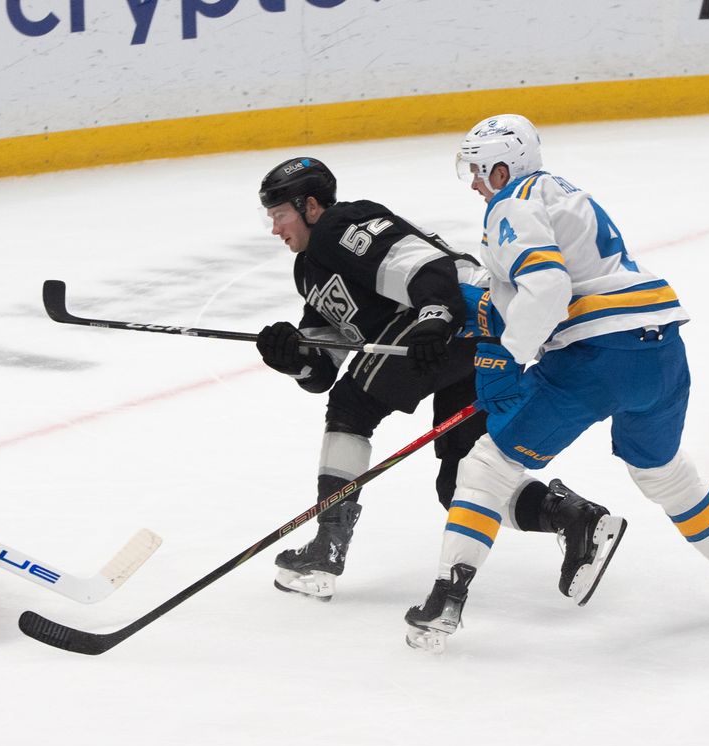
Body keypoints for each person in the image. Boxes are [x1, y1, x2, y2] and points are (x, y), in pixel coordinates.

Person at [405, 115, 709, 651]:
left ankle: (448, 597)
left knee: (487, 467)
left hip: (595, 357)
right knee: (663, 472)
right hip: (661, 351)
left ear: (501, 166)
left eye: (476, 170)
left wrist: (513, 357)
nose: (472, 183)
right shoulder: (563, 192)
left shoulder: (511, 203)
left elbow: (548, 285)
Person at [256, 157, 624, 602]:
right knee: (459, 482)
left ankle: (327, 548)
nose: (275, 228)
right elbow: (321, 370)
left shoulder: (341, 225)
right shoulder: (310, 269)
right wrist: (290, 354)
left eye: (280, 215)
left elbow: (430, 270)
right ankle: (574, 518)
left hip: (465, 313)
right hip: (468, 337)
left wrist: (436, 316)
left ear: (310, 205)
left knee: (353, 406)